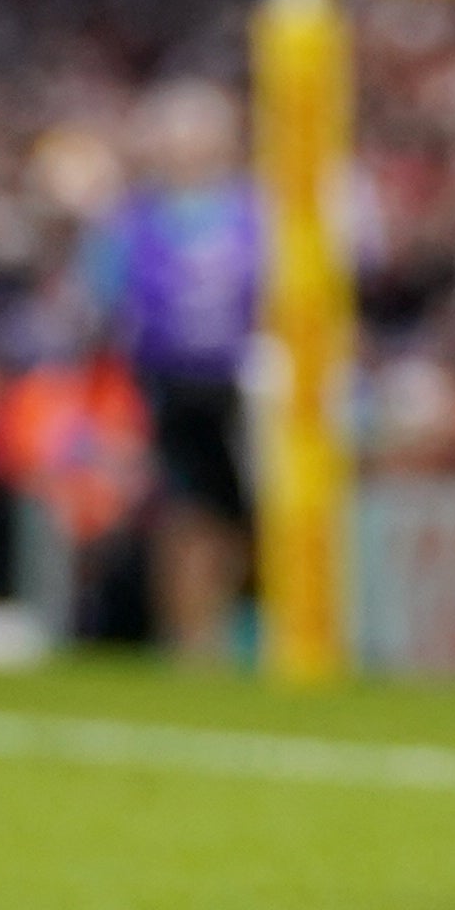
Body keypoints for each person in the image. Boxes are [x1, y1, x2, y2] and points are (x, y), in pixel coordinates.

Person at [98, 78, 260, 659]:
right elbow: (110, 306)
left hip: (246, 386)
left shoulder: (254, 209)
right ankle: (193, 642)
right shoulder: (136, 220)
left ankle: (219, 634)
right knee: (188, 516)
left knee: (238, 520)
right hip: (173, 386)